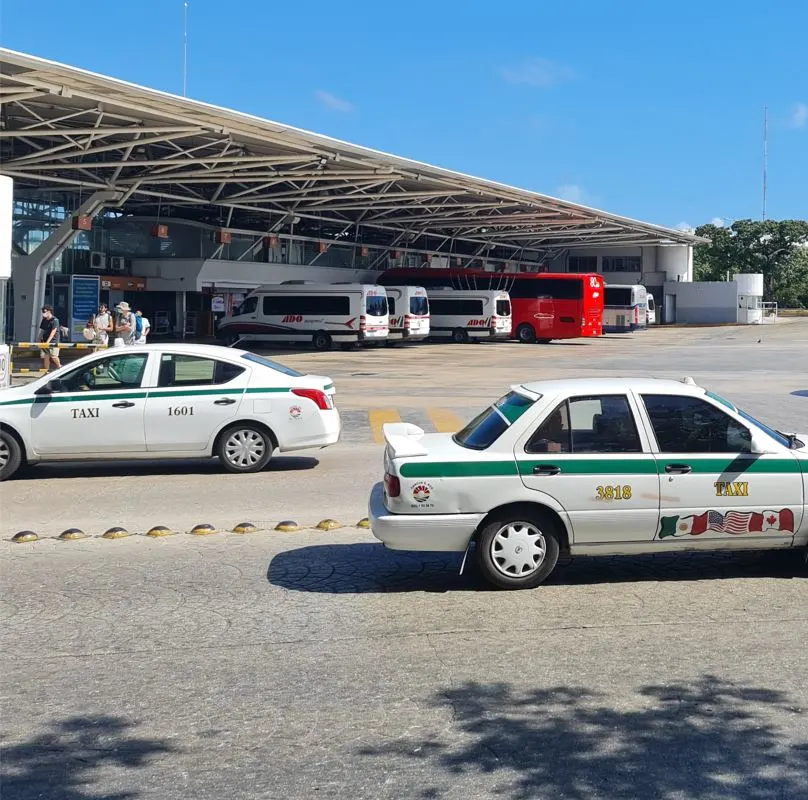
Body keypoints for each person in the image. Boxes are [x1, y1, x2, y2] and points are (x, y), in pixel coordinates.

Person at [39, 305, 62, 372]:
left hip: (53, 341)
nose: (43, 313)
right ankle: (46, 371)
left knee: (54, 356)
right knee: (46, 356)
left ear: (49, 312)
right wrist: (38, 339)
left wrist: (48, 342)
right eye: (42, 311)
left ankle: (60, 367)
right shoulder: (44, 320)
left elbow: (53, 332)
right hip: (45, 340)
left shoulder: (55, 320)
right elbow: (42, 330)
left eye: (44, 311)